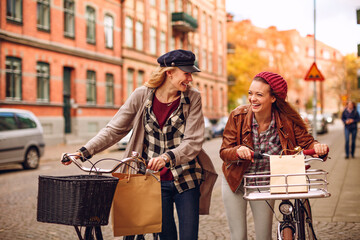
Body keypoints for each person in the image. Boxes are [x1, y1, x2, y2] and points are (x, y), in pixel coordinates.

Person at [62, 49, 217, 240]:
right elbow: (114, 129)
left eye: (191, 74)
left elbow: (193, 141)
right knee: (166, 236)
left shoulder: (192, 97)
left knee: (189, 236)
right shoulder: (142, 96)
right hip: (153, 181)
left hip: (187, 177)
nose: (190, 79)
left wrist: (167, 157)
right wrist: (83, 152)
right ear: (169, 72)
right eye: (186, 73)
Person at [219, 71, 329, 240]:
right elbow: (224, 151)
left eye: (259, 94)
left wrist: (318, 147)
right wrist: (237, 151)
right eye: (250, 93)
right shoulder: (237, 115)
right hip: (235, 180)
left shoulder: (287, 120)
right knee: (238, 236)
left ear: (273, 98)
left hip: (265, 182)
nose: (252, 98)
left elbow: (307, 142)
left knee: (263, 236)